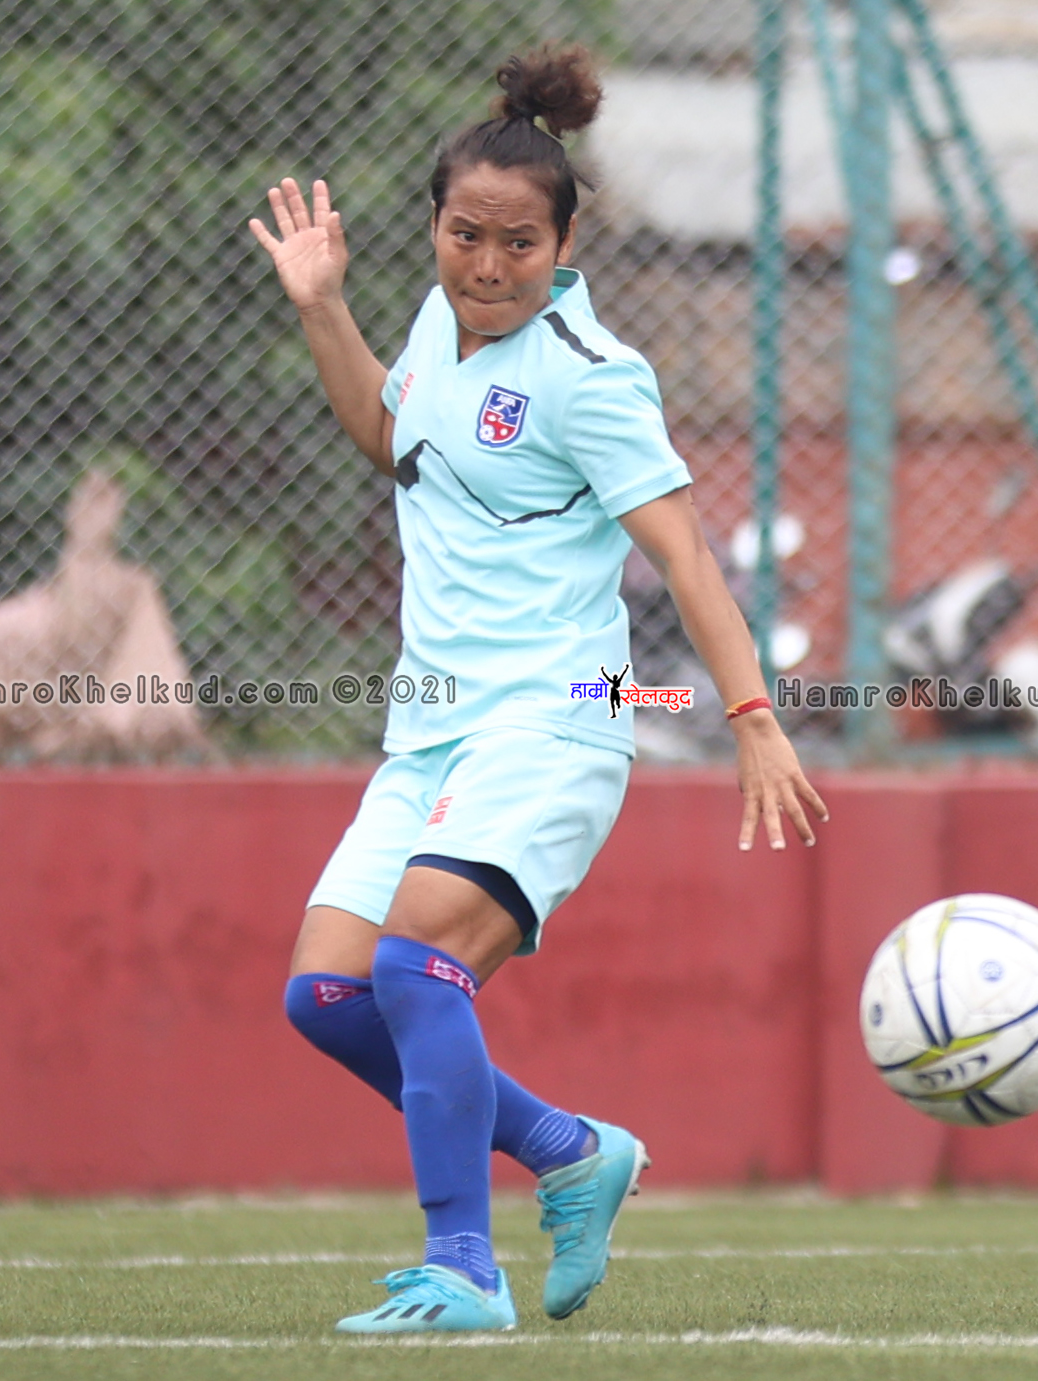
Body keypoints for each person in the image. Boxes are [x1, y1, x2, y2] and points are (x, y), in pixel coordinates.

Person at [249, 43, 826, 1336]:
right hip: (430, 731)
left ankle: (463, 1268)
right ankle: (570, 1150)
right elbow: (392, 440)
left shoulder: (589, 373)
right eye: (467, 235)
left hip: (556, 719)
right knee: (326, 994)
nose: (489, 265)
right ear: (435, 229)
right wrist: (321, 306)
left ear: (564, 244)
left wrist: (753, 720)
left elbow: (684, 555)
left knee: (417, 962)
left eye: (519, 243)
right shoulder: (433, 325)